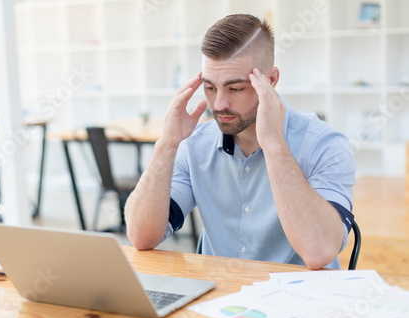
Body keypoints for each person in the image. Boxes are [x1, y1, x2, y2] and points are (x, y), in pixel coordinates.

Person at [124, 14, 356, 269]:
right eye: (210, 88)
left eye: (235, 89)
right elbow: (141, 237)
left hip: (301, 302)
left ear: (271, 80)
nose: (219, 104)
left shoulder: (324, 145)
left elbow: (319, 251)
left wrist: (275, 145)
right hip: (218, 300)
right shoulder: (193, 146)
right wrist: (167, 145)